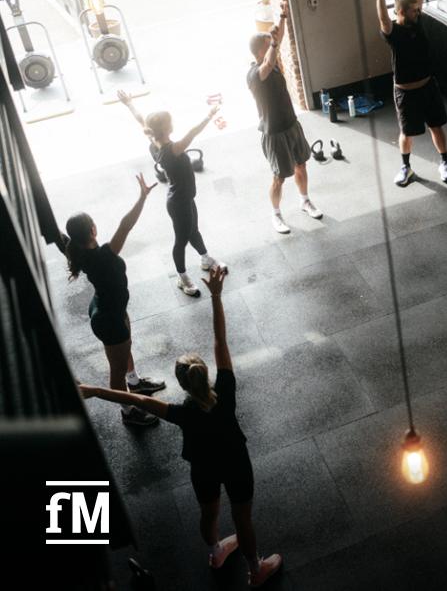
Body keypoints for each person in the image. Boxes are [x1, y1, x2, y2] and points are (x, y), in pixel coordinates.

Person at [79, 268, 283, 587]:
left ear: (182, 384)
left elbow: (136, 400)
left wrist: (93, 390)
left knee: (209, 513)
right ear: (204, 373)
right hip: (235, 462)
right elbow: (220, 338)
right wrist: (215, 295)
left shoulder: (180, 412)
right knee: (243, 519)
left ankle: (216, 551)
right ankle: (255, 571)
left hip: (204, 469)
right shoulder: (226, 389)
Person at [62, 175, 166, 426]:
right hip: (109, 317)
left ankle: (135, 382)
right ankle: (128, 412)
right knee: (116, 370)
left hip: (110, 307)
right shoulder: (104, 255)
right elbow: (126, 225)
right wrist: (142, 197)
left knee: (124, 350)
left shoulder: (76, 249)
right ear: (93, 230)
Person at [116, 90, 224, 297]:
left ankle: (205, 258)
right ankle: (182, 278)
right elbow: (193, 133)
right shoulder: (171, 149)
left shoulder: (154, 140)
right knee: (181, 240)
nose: (172, 123)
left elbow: (142, 122)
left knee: (194, 230)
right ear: (166, 128)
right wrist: (209, 116)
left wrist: (130, 104)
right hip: (178, 201)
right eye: (170, 121)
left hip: (184, 197)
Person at [374, 0, 447, 187]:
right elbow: (382, 17)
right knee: (406, 133)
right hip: (406, 92)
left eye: (417, 10)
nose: (417, 12)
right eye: (413, 11)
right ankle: (406, 167)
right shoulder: (393, 33)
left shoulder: (417, 22)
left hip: (428, 86)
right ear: (401, 13)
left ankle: (445, 163)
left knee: (436, 126)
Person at [247, 0, 324, 234]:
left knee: (301, 165)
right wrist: (273, 42)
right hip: (274, 132)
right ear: (261, 50)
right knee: (279, 177)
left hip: (291, 125)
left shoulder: (272, 60)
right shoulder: (254, 74)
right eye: (269, 44)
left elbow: (275, 47)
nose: (274, 45)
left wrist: (283, 17)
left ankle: (304, 200)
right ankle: (277, 215)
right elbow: (269, 61)